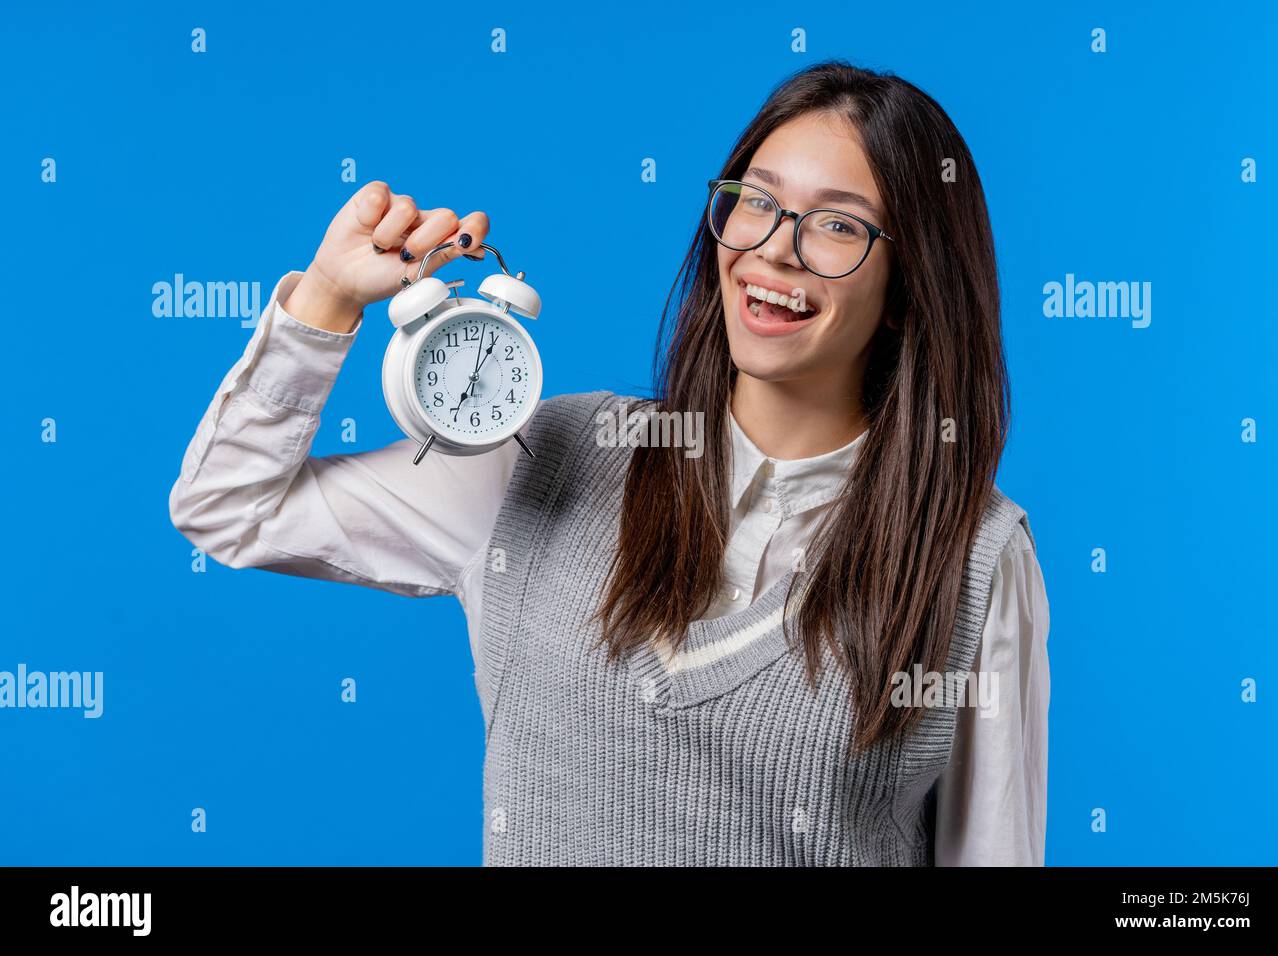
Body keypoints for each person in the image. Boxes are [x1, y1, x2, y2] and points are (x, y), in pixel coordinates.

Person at [169, 59, 1050, 866]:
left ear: (909, 291)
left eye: (837, 225)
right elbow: (229, 505)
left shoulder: (976, 562)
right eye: (756, 201)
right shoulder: (542, 456)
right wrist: (327, 299)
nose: (775, 248)